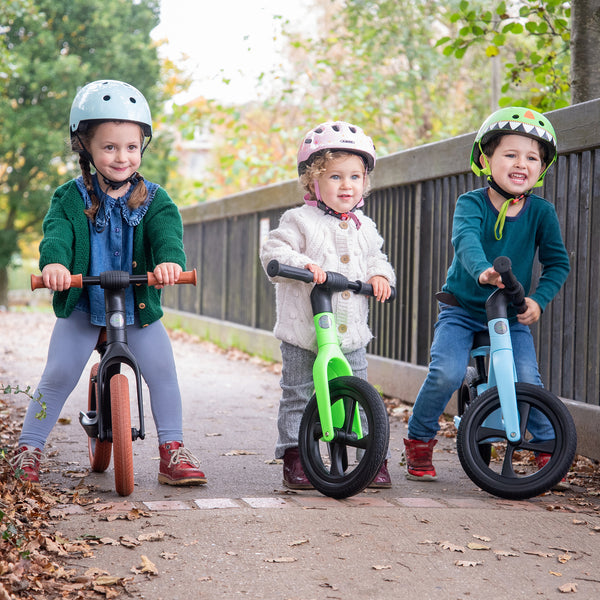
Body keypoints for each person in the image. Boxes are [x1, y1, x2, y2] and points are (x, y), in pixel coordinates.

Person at [10, 80, 207, 486]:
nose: (122, 157)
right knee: (59, 373)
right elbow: (57, 235)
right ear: (86, 148)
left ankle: (173, 449)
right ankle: (28, 447)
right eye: (110, 147)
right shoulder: (69, 198)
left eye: (131, 147)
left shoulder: (155, 199)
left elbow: (167, 233)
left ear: (142, 147)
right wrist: (55, 266)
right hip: (83, 304)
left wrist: (170, 261)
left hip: (136, 307)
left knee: (163, 372)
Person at [404, 106, 570, 480]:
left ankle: (547, 450)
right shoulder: (471, 203)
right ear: (486, 159)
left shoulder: (541, 212)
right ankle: (419, 440)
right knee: (445, 372)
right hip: (462, 309)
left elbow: (559, 264)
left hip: (509, 314)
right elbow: (464, 241)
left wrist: (537, 301)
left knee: (527, 378)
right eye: (510, 154)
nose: (521, 164)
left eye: (532, 157)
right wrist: (482, 271)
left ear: (541, 168)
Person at [260, 121, 396, 489]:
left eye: (355, 176)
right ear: (313, 182)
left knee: (360, 394)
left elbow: (376, 260)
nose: (347, 185)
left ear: (365, 182)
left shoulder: (364, 226)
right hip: (304, 331)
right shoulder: (299, 220)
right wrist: (306, 265)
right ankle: (295, 456)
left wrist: (381, 277)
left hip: (349, 333)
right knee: (299, 393)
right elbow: (275, 251)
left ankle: (372, 455)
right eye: (335, 176)